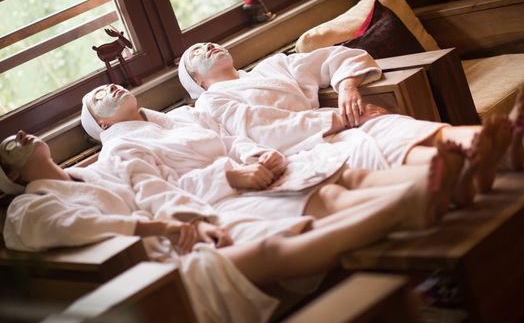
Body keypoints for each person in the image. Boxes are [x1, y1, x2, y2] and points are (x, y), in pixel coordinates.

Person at [2, 131, 448, 323]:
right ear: (13, 178)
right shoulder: (27, 208)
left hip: (182, 241)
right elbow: (71, 227)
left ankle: (414, 206)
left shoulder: (95, 175)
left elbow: (157, 194)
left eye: (20, 133)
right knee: (274, 245)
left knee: (303, 223)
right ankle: (410, 205)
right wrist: (158, 226)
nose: (20, 135)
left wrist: (197, 222)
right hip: (148, 276)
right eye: (8, 146)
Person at [80, 84, 467, 230]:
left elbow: (231, 139)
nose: (108, 89)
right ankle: (430, 193)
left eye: (109, 85)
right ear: (99, 123)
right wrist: (232, 177)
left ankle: (456, 173)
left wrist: (260, 153)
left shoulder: (183, 116)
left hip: (260, 169)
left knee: (347, 174)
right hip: (230, 193)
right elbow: (159, 194)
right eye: (98, 98)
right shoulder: (120, 149)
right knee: (328, 194)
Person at [179, 42, 523, 200]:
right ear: (195, 80)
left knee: (401, 126)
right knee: (384, 143)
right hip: (305, 148)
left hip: (341, 121)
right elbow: (263, 130)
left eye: (209, 43)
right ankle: (477, 159)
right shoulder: (211, 102)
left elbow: (335, 57)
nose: (207, 47)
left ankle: (506, 147)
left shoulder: (273, 67)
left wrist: (347, 87)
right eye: (196, 54)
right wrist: (337, 121)